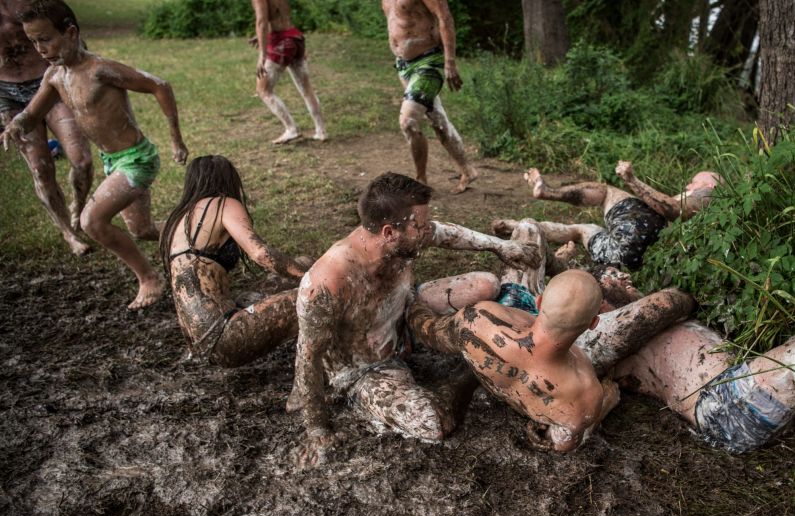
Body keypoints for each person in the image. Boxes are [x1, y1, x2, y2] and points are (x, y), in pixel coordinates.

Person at [287, 172, 542, 467]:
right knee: (430, 423)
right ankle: (471, 373)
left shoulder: (399, 240)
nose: (427, 231)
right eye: (419, 226)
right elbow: (307, 356)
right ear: (388, 232)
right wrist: (317, 429)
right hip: (365, 368)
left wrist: (502, 247)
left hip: (404, 312)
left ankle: (451, 339)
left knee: (486, 284)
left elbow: (446, 233)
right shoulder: (326, 281)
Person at [406, 220, 696, 452]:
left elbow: (430, 332)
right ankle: (689, 298)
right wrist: (611, 396)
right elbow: (562, 441)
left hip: (504, 338)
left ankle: (563, 273)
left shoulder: (479, 321)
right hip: (576, 357)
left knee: (528, 226)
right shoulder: (587, 393)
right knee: (671, 301)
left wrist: (412, 305)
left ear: (540, 301)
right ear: (596, 322)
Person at [2, 0, 189, 309]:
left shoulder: (100, 70)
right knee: (141, 230)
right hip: (114, 162)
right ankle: (195, 239)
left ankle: (148, 278)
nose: (39, 48)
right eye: (33, 41)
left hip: (136, 160)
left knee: (92, 222)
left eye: (45, 39)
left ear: (71, 32)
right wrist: (17, 124)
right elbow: (33, 113)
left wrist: (176, 140)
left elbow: (160, 86)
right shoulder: (54, 76)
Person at [160, 155, 311, 367]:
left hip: (201, 345)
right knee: (317, 296)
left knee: (304, 261)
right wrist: (310, 279)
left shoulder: (177, 220)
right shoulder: (224, 204)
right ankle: (337, 368)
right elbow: (261, 254)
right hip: (226, 337)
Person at [0, 0, 92, 255]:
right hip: (7, 91)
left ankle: (78, 208)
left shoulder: (40, 3)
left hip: (50, 81)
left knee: (82, 160)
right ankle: (68, 233)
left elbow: (70, 32)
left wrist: (81, 75)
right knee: (40, 168)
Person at [614, 324, 794, 453]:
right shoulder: (620, 335)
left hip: (740, 400)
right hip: (728, 409)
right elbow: (671, 300)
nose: (623, 276)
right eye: (611, 275)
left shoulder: (652, 325)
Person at [522, 161, 722, 269]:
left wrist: (632, 180)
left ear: (711, 185)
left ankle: (547, 191)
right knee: (582, 230)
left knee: (606, 191)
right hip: (629, 257)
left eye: (694, 182)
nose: (689, 185)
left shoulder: (711, 194)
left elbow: (676, 212)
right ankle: (520, 227)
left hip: (642, 233)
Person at [382, 0, 476, 194]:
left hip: (428, 62)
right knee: (437, 119)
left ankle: (421, 181)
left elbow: (444, 17)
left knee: (408, 122)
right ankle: (468, 171)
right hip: (404, 66)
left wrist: (450, 62)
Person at [251, 0, 325, 144]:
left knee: (263, 89)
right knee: (306, 88)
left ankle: (291, 130)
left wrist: (262, 55)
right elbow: (279, 16)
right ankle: (320, 131)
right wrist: (261, 37)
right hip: (295, 38)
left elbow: (262, 22)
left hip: (281, 43)